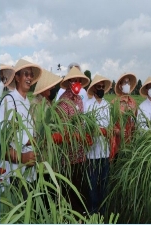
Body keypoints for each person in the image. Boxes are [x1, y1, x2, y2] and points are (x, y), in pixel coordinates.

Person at [0, 59, 42, 195]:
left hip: (29, 169)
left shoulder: (27, 102)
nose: (29, 77)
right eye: (26, 74)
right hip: (15, 171)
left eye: (31, 75)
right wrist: (23, 155)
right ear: (17, 77)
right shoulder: (9, 100)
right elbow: (3, 139)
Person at [56, 66, 90, 214]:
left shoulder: (79, 100)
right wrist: (77, 136)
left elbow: (81, 124)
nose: (77, 83)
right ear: (69, 82)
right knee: (69, 191)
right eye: (74, 80)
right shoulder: (63, 101)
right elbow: (62, 131)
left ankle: (79, 216)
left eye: (79, 80)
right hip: (68, 157)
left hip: (80, 154)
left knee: (79, 188)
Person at [84, 74, 111, 215]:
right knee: (93, 187)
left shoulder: (107, 105)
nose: (101, 89)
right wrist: (96, 130)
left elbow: (110, 127)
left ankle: (104, 214)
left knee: (104, 186)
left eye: (102, 87)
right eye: (98, 86)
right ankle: (93, 215)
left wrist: (109, 132)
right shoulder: (87, 105)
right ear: (94, 88)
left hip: (105, 153)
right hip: (92, 153)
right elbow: (85, 128)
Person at [110, 73, 138, 159]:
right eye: (124, 83)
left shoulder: (133, 103)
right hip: (117, 144)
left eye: (128, 83)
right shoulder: (114, 103)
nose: (127, 85)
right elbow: (110, 123)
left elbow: (136, 121)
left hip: (130, 144)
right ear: (120, 86)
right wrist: (118, 131)